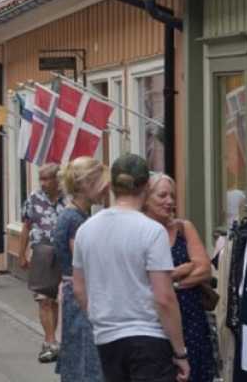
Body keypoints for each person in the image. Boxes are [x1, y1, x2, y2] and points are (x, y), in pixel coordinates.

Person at [72, 154, 189, 382]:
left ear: (112, 186)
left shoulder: (85, 230)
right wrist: (180, 351)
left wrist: (100, 317)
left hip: (107, 338)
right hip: (149, 339)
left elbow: (79, 289)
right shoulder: (152, 232)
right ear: (146, 186)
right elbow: (164, 297)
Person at [144, 173, 214, 382]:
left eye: (172, 196)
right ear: (146, 198)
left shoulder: (184, 227)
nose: (170, 202)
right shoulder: (140, 232)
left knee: (195, 373)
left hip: (192, 319)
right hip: (156, 320)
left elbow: (204, 269)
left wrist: (166, 280)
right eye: (162, 195)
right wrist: (181, 269)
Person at [52, 157, 110, 382]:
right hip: (81, 295)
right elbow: (84, 263)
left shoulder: (72, 215)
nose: (106, 190)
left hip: (72, 293)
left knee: (78, 355)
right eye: (102, 184)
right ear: (87, 184)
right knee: (86, 359)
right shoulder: (75, 219)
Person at [18, 163, 66, 362]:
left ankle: (53, 339)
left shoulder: (69, 198)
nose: (43, 183)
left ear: (58, 179)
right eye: (41, 179)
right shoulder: (34, 198)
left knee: (56, 299)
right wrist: (22, 254)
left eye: (47, 178)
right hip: (41, 251)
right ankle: (50, 340)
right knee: (43, 298)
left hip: (64, 253)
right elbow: (26, 226)